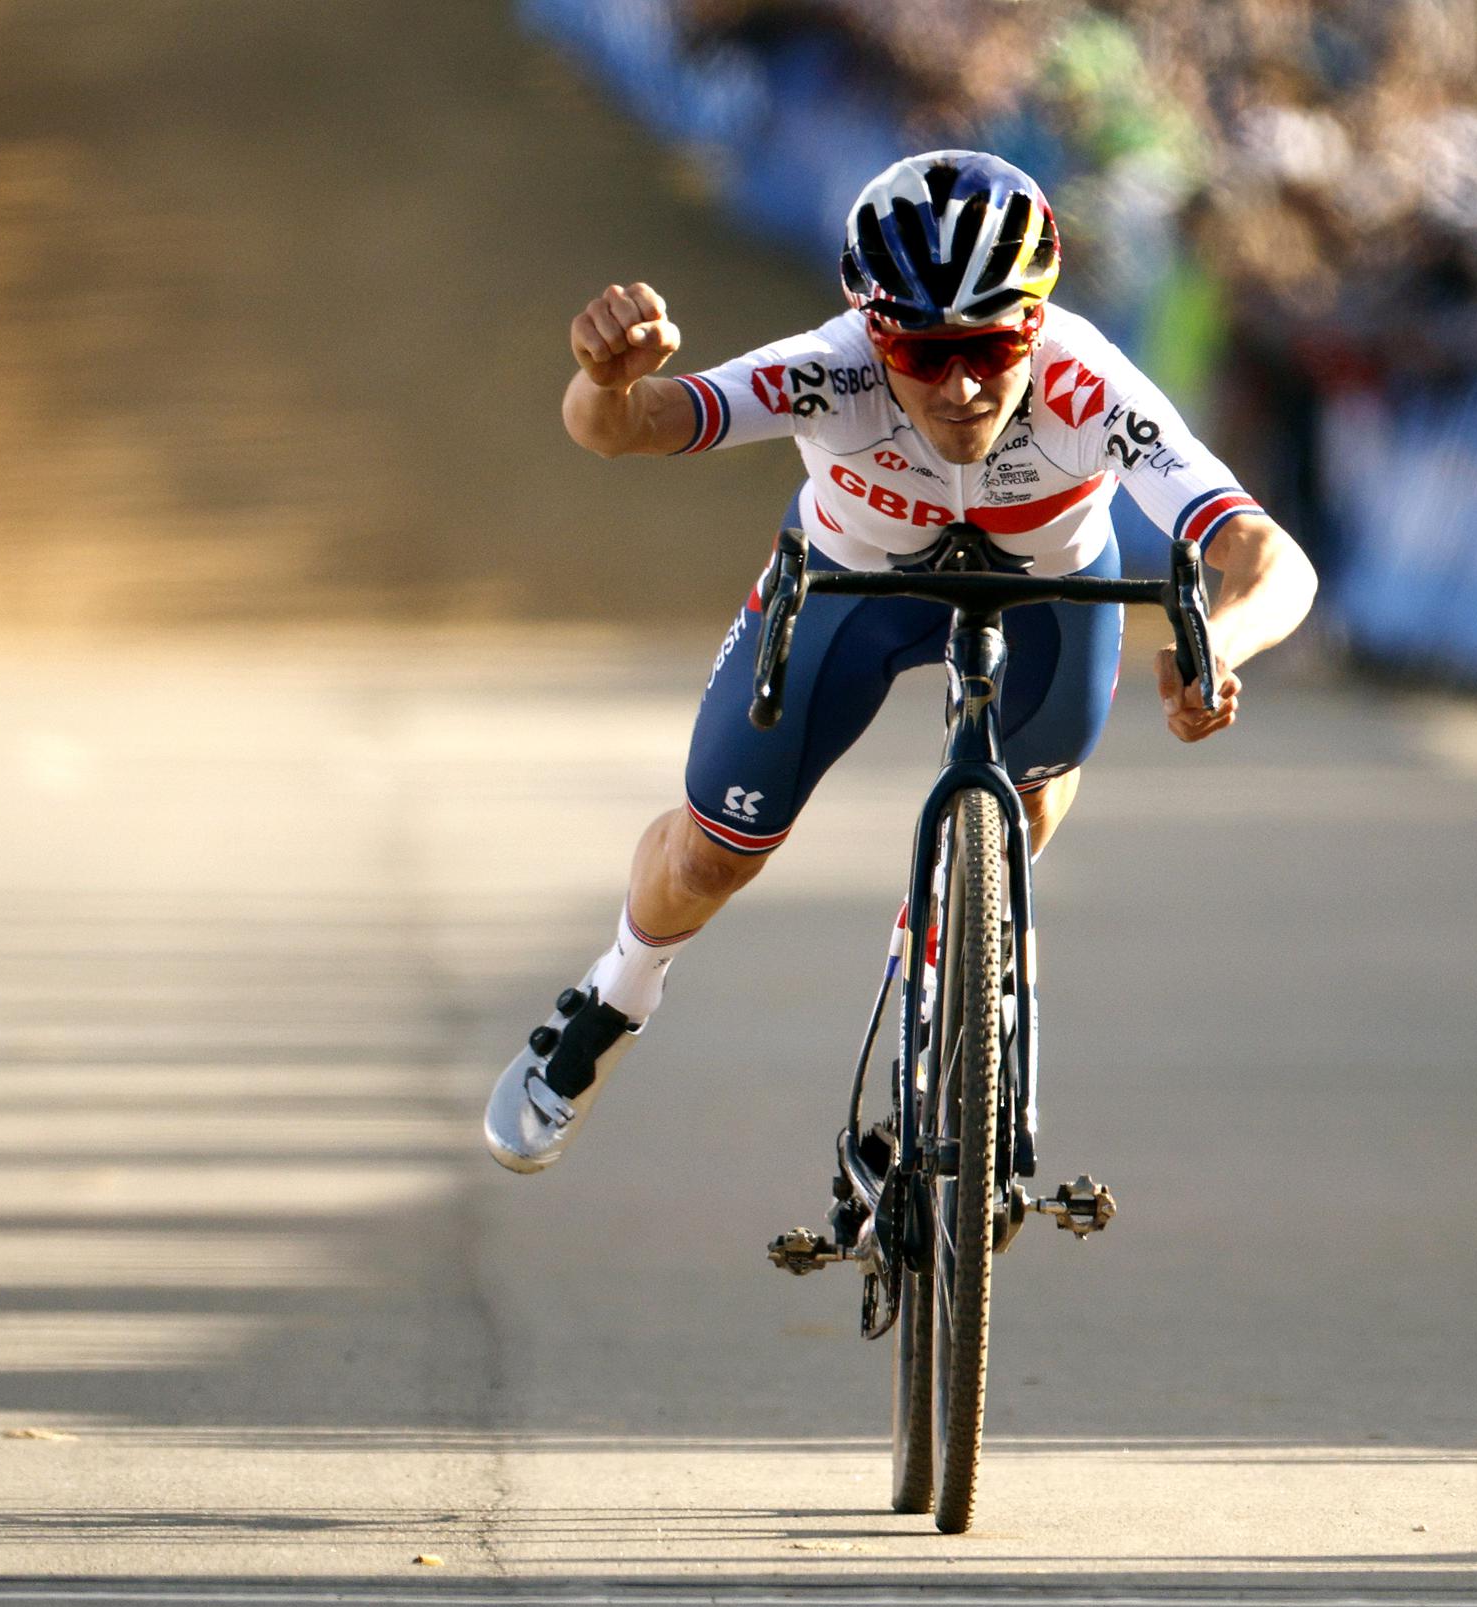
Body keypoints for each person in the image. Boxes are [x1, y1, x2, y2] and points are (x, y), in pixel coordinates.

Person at [485, 150, 1319, 1174]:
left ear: (1036, 324)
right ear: (875, 335)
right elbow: (622, 429)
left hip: (1046, 597)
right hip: (853, 590)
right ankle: (618, 992)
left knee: (1027, 790)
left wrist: (1218, 648)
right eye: (924, 355)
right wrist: (603, 383)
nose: (962, 383)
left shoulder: (1086, 380)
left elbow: (1271, 558)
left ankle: (955, 970)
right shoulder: (831, 368)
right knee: (712, 855)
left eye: (992, 344)